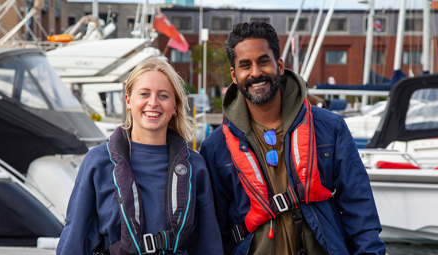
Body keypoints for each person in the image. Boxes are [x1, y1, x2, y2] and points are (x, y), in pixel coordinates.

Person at [200, 21, 386, 255]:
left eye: (263, 61)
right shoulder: (215, 148)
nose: (256, 73)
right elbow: (213, 231)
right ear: (234, 75)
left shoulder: (330, 128)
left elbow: (359, 208)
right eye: (245, 65)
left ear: (279, 65)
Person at [57, 58, 223, 255]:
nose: (153, 103)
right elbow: (74, 239)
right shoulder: (97, 162)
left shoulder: (195, 166)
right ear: (128, 101)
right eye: (144, 94)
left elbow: (208, 244)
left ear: (175, 106)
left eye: (163, 96)